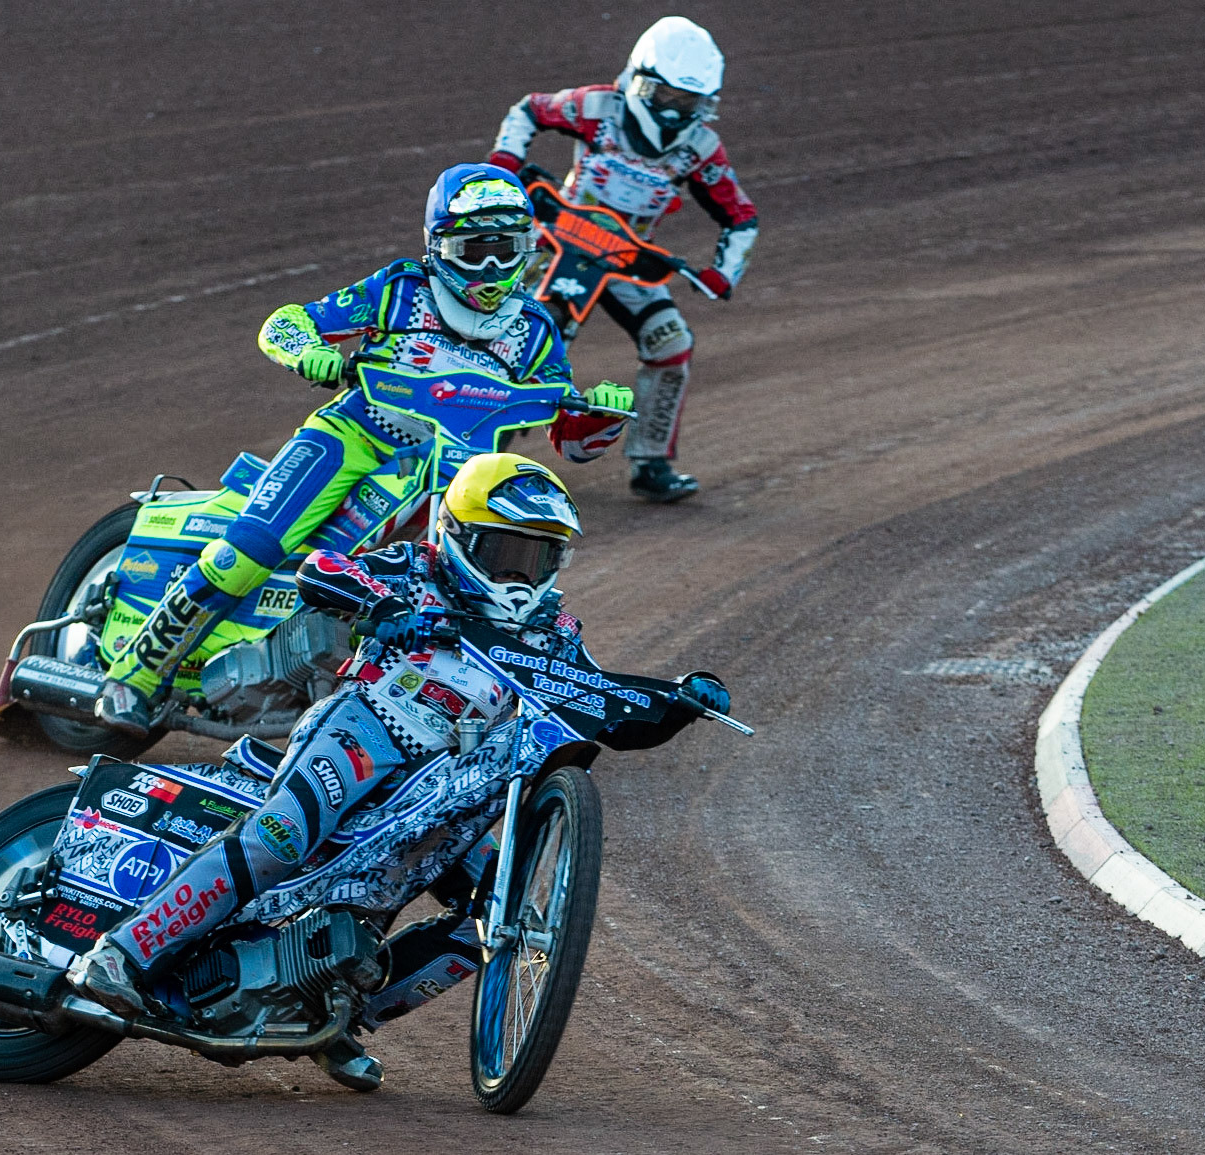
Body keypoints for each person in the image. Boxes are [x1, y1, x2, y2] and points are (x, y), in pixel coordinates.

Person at [68, 452, 731, 1090]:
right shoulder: (417, 567)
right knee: (281, 836)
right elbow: (323, 567)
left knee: (494, 913)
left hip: (451, 789)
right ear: (460, 536)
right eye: (507, 552)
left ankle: (338, 1019)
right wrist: (380, 606)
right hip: (368, 730)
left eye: (538, 556)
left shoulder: (555, 632)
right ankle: (122, 952)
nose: (521, 574)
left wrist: (677, 701)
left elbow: (599, 703)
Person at [92, 163, 633, 737]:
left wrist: (600, 416)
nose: (492, 267)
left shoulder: (535, 328)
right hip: (352, 436)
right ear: (440, 247)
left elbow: (569, 437)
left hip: (459, 472)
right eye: (475, 250)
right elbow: (288, 322)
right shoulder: (400, 290)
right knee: (248, 550)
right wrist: (308, 354)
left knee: (481, 581)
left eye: (507, 249)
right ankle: (133, 677)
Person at [486, 15, 759, 503]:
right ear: (639, 78)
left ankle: (651, 461)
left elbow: (740, 215)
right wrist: (503, 164)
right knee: (525, 334)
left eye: (688, 102)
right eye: (666, 97)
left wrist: (723, 273)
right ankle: (479, 444)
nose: (674, 112)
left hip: (628, 259)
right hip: (558, 241)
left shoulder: (700, 147)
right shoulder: (596, 106)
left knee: (670, 344)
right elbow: (528, 110)